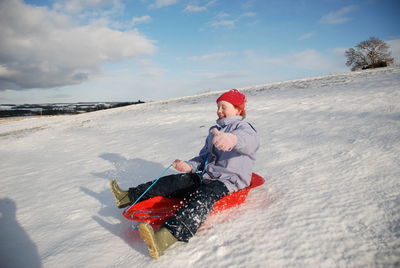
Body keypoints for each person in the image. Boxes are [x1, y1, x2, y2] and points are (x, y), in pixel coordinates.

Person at [109, 89, 260, 259]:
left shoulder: (244, 128)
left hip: (229, 180)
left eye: (223, 107)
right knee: (175, 181)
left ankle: (165, 238)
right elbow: (204, 157)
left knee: (204, 198)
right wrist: (189, 166)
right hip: (208, 175)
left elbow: (250, 143)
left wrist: (233, 140)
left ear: (238, 110)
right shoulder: (214, 130)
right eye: (218, 107)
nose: (219, 111)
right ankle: (128, 196)